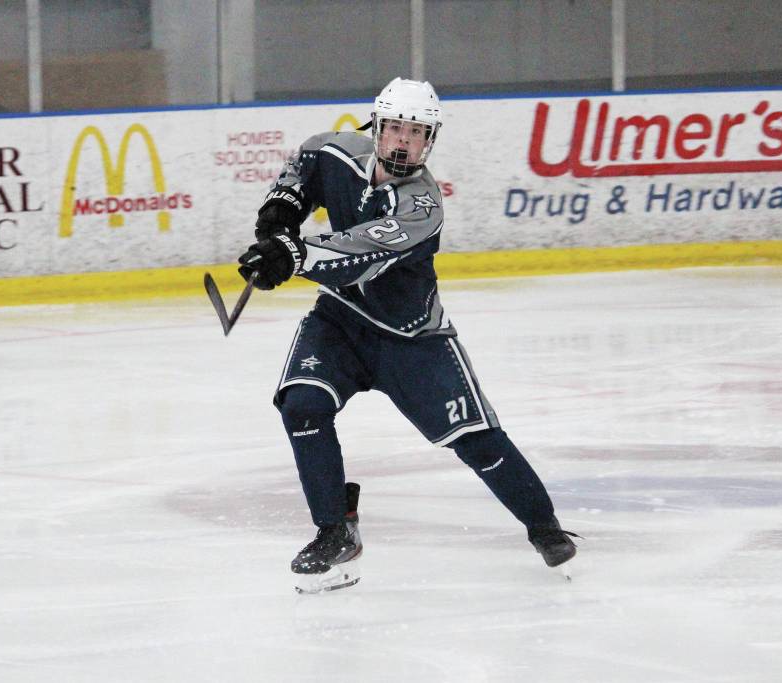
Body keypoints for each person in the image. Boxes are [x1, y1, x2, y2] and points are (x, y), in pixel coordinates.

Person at [237, 77, 577, 594]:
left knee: (477, 441)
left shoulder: (423, 206)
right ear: (376, 127)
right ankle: (334, 532)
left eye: (416, 134)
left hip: (411, 338)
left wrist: (293, 254)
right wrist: (278, 216)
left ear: (429, 141)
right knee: (302, 405)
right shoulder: (333, 151)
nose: (403, 142)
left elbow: (358, 254)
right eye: (395, 129)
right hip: (340, 324)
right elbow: (302, 168)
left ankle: (544, 526)